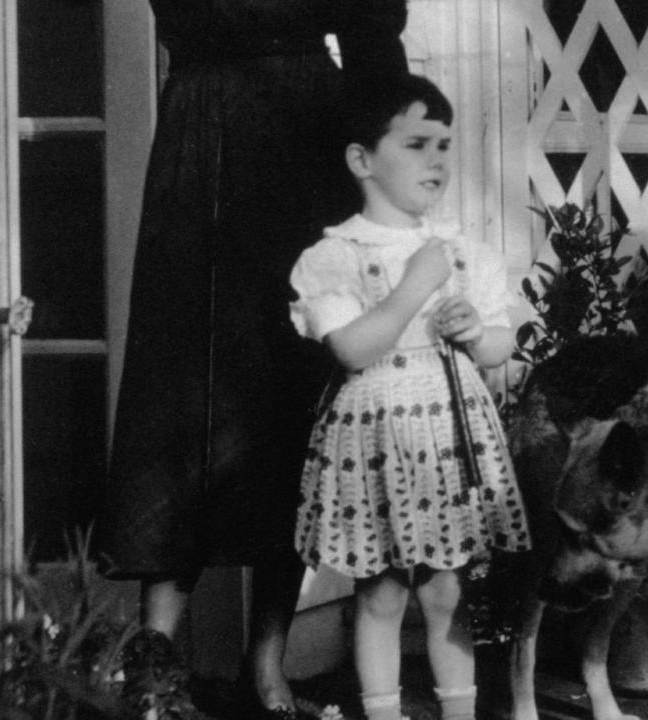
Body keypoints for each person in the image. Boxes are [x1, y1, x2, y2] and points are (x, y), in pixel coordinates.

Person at [97, 3, 408, 719]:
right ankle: (155, 663)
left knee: (293, 399)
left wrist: (387, 173)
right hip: (200, 140)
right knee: (179, 390)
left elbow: (374, 42)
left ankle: (265, 663)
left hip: (305, 144)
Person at [288, 74, 531, 720]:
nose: (437, 160)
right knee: (382, 593)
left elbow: (501, 342)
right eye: (418, 143)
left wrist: (478, 332)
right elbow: (354, 349)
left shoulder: (460, 249)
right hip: (378, 441)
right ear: (363, 160)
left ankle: (459, 713)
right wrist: (414, 288)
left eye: (446, 145)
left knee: (448, 591)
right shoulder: (336, 254)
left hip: (447, 437)